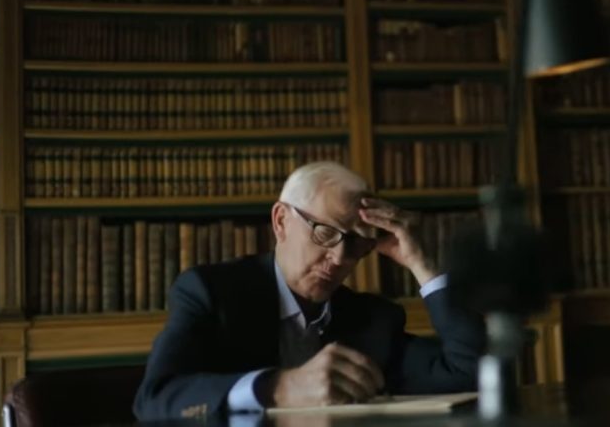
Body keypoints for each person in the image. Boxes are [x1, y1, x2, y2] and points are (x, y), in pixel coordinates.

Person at [133, 161, 485, 421]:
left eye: (355, 243)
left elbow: (471, 373)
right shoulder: (211, 293)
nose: (340, 258)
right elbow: (155, 399)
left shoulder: (373, 319)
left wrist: (422, 264)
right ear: (281, 222)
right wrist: (279, 387)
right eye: (325, 232)